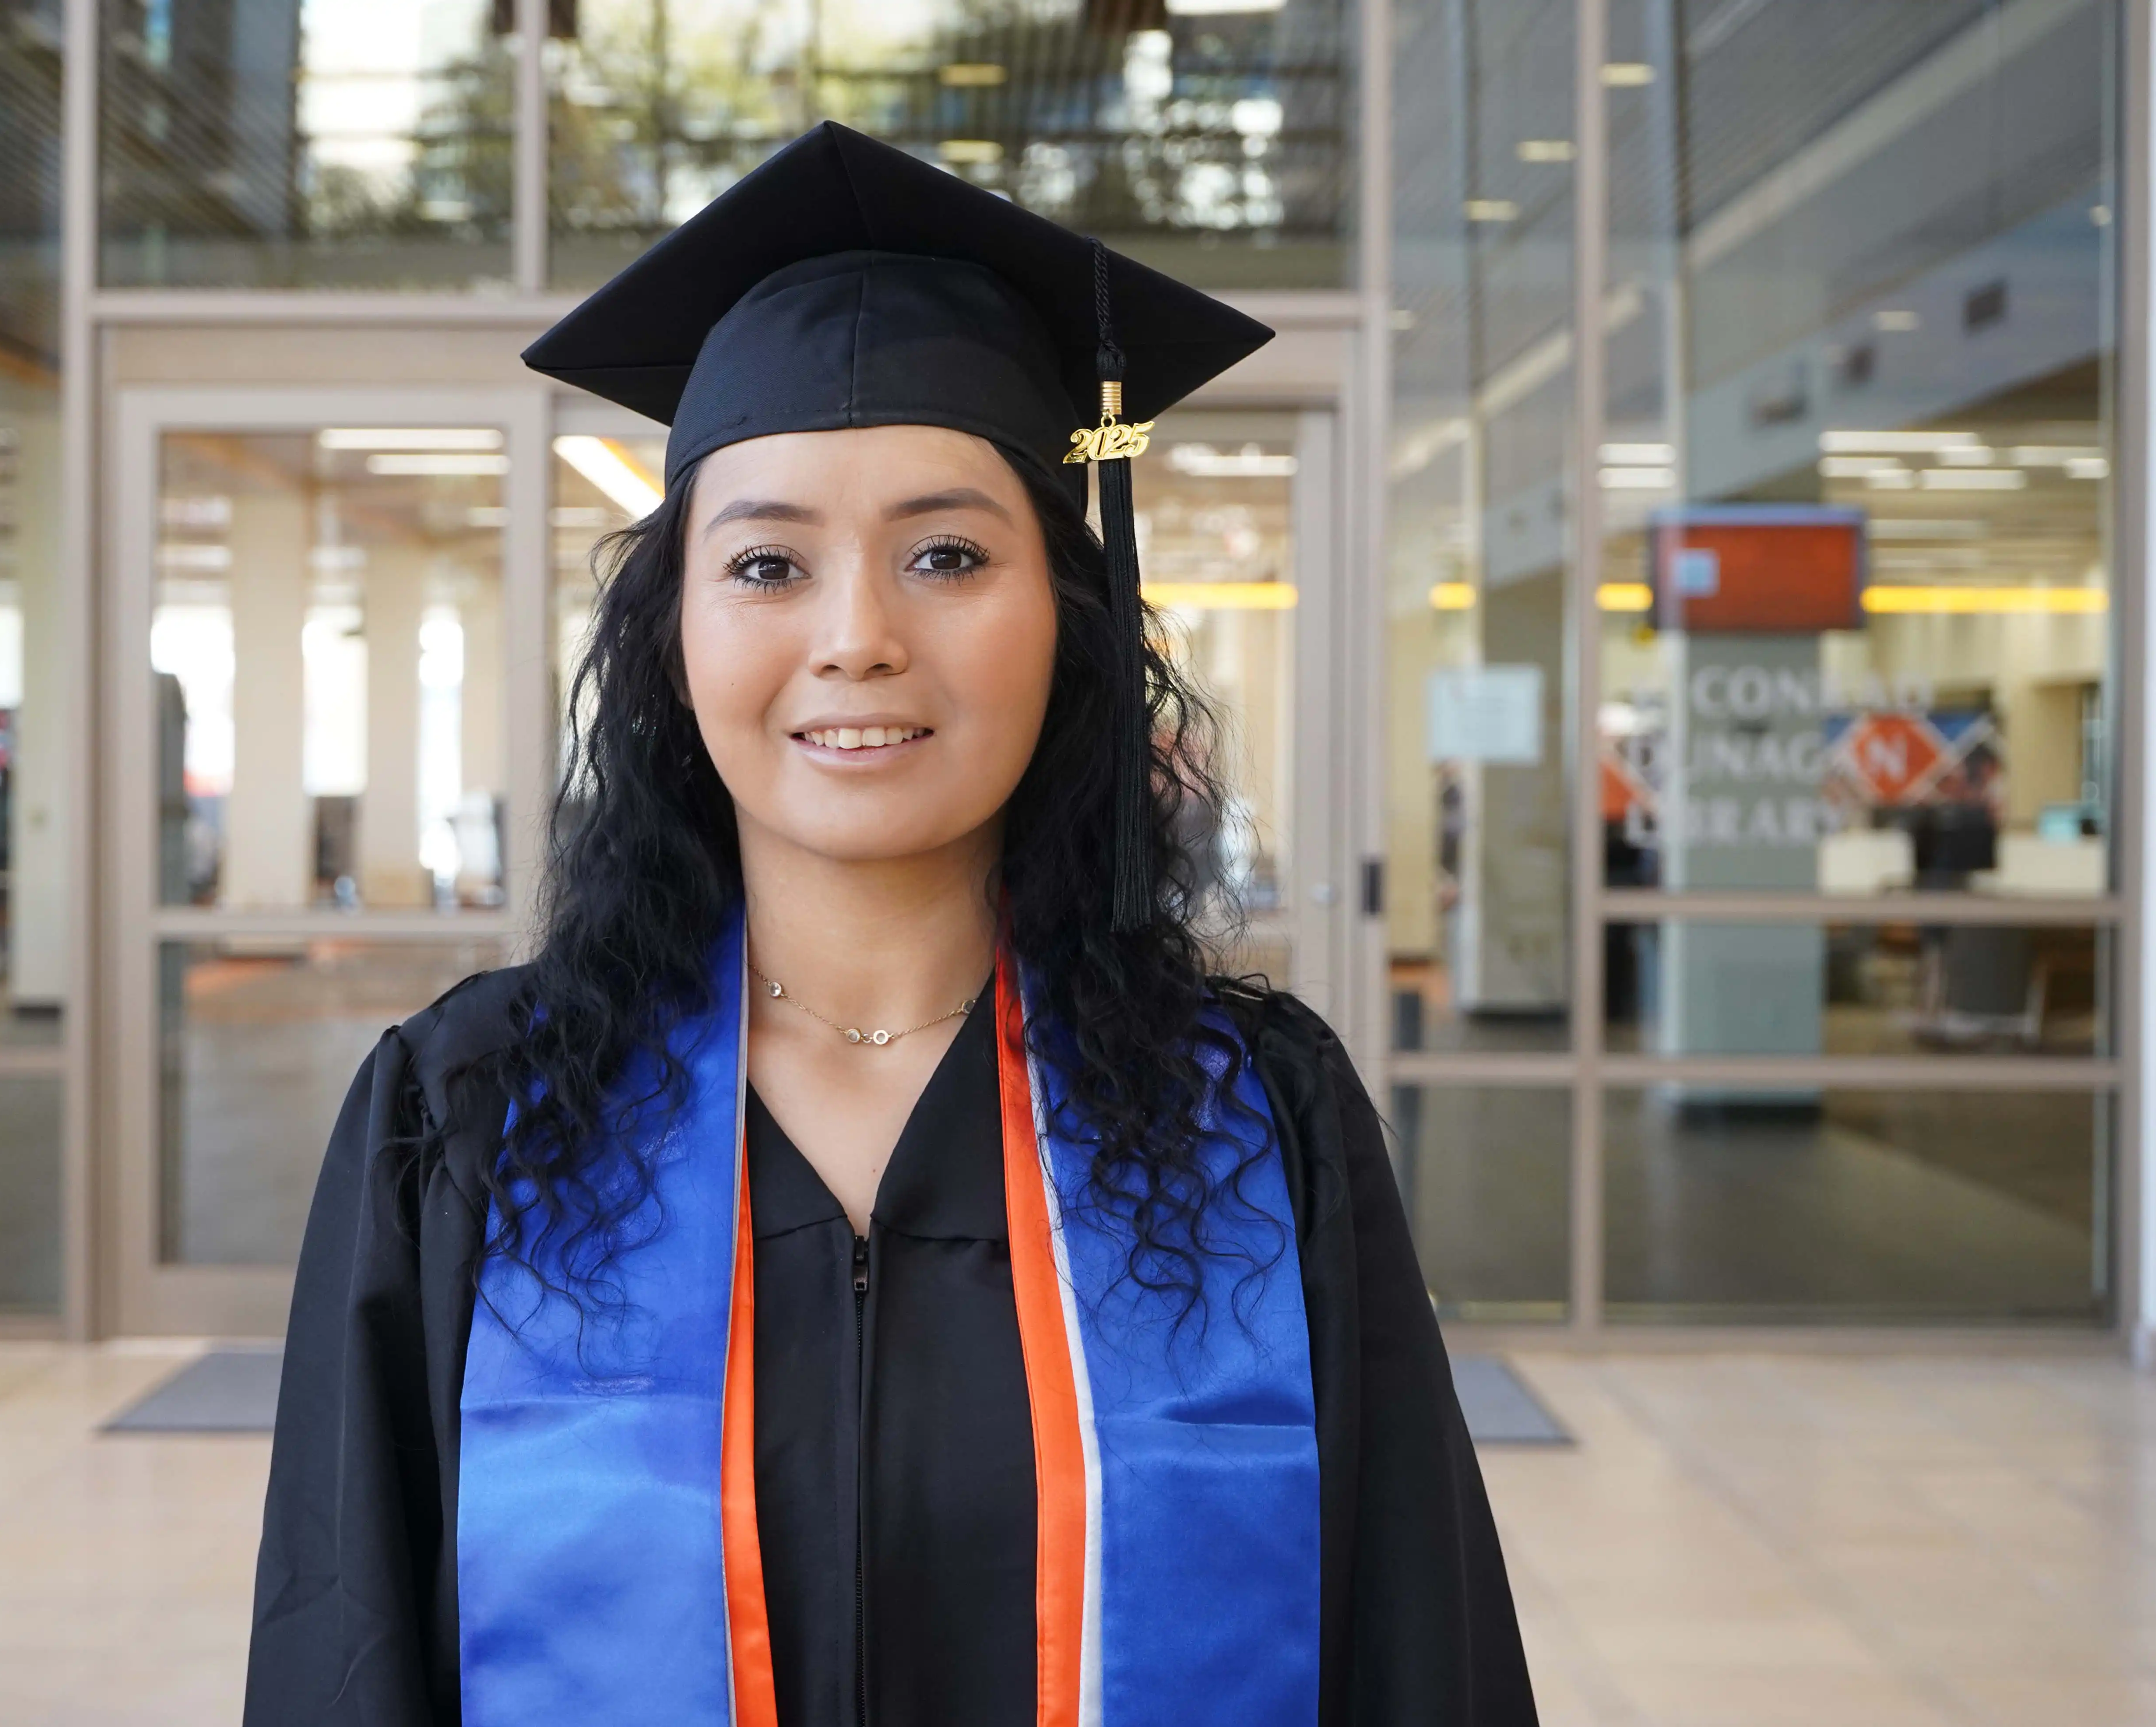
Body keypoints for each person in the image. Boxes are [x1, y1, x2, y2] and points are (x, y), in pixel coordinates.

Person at [246, 123, 1535, 1727]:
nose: (857, 638)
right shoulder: (478, 1120)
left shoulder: (1251, 1122)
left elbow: (1415, 1654)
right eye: (769, 562)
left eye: (946, 554)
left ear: (1067, 623)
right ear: (672, 642)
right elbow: (346, 1651)